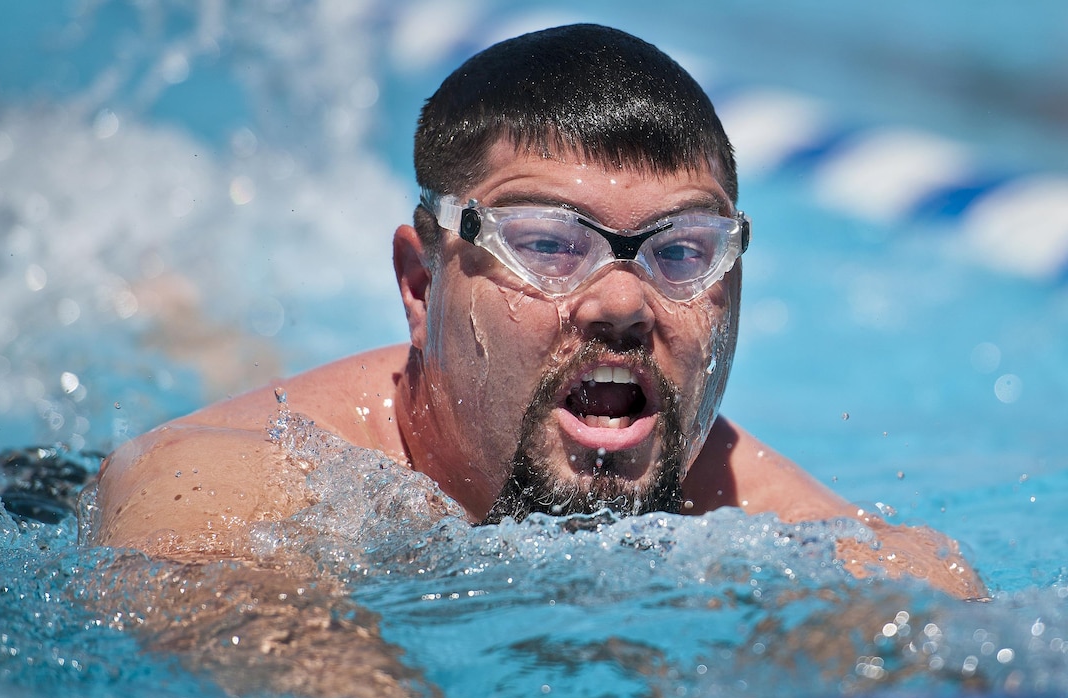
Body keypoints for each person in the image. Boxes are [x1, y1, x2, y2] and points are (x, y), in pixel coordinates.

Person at [94, 24, 985, 599]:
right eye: (551, 244)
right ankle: (173, 314)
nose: (623, 303)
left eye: (681, 253)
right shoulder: (218, 489)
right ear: (420, 284)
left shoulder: (793, 535)